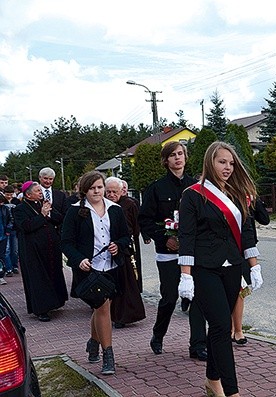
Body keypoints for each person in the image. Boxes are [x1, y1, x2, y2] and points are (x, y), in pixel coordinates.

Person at [177, 141, 263, 397]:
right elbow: (187, 236)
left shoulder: (237, 194)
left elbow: (247, 232)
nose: (227, 167)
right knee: (220, 327)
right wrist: (185, 275)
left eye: (231, 163)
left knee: (221, 326)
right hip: (205, 268)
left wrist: (254, 266)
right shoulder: (192, 195)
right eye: (222, 162)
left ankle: (212, 380)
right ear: (209, 162)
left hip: (232, 266)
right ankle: (232, 390)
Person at [138, 141, 207, 360]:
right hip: (168, 253)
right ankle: (158, 335)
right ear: (166, 160)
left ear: (186, 157)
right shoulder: (156, 188)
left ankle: (197, 346)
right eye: (173, 155)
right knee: (169, 297)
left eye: (181, 154)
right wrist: (163, 239)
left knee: (198, 297)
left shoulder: (197, 186)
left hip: (193, 252)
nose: (178, 158)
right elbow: (144, 219)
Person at [61, 171, 130, 376]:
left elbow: (125, 237)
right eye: (92, 188)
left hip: (111, 267)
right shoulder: (75, 212)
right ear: (85, 191)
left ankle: (93, 342)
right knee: (102, 308)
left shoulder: (115, 210)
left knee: (102, 308)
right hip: (88, 269)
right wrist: (78, 259)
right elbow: (66, 242)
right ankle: (108, 355)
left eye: (100, 187)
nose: (97, 191)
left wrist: (118, 245)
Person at [13, 181, 69, 321]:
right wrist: (42, 215)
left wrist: (48, 213)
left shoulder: (43, 204)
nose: (41, 193)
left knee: (53, 273)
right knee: (38, 278)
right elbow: (26, 226)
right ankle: (41, 310)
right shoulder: (19, 209)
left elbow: (59, 219)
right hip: (33, 251)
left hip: (50, 248)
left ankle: (55, 302)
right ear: (28, 194)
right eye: (38, 191)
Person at [105, 177, 145, 328]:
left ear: (121, 191)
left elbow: (135, 226)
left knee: (126, 283)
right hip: (106, 248)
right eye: (108, 191)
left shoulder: (129, 204)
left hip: (125, 247)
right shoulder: (104, 205)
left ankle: (123, 316)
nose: (111, 195)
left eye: (114, 192)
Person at [231, 196, 269, 345]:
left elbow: (265, 220)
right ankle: (229, 329)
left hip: (245, 248)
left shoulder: (245, 197)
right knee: (228, 290)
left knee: (241, 290)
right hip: (223, 247)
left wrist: (254, 200)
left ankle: (238, 329)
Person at [2, 185, 19, 276]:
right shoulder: (2, 203)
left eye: (11, 194)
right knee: (7, 249)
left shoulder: (16, 202)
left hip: (14, 228)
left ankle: (15, 266)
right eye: (7, 194)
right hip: (6, 229)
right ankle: (8, 268)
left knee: (15, 249)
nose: (9, 196)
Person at [0, 194, 12, 286]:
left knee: (2, 255)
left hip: (3, 235)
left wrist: (8, 229)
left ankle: (1, 275)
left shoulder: (5, 209)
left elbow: (10, 220)